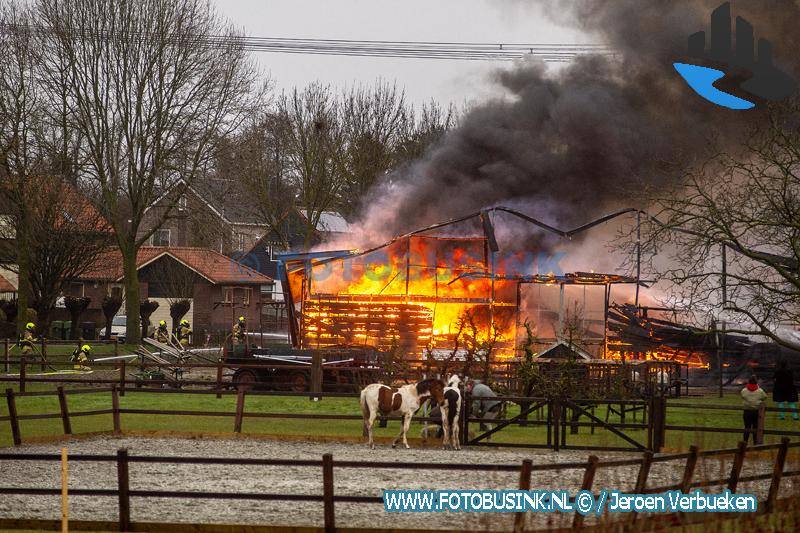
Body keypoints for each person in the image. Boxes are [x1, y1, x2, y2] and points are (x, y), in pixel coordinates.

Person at [741, 375, 767, 444]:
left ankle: (744, 443)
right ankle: (755, 443)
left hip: (747, 412)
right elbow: (764, 397)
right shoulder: (760, 391)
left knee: (747, 427)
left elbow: (742, 396)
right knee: (755, 428)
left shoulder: (744, 390)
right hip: (756, 412)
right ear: (756, 382)